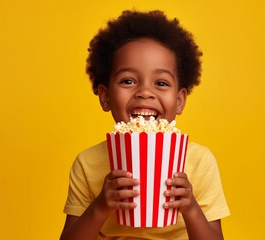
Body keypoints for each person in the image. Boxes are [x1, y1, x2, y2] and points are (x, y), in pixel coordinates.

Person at [60, 10, 230, 240]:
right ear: (105, 96)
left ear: (179, 100)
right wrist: (100, 206)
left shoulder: (200, 162)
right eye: (128, 81)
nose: (145, 93)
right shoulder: (87, 163)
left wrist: (191, 208)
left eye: (161, 82)